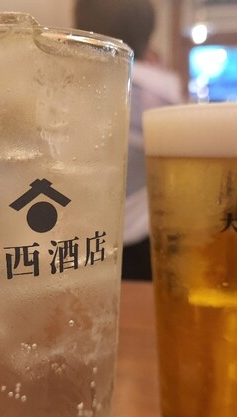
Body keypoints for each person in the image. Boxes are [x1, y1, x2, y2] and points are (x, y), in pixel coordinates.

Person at [74, 0, 182, 280]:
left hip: (79, 236)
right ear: (147, 37)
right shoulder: (160, 90)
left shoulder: (66, 82)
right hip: (141, 234)